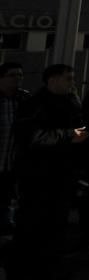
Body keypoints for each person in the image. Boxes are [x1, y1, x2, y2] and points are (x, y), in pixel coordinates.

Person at [11, 64, 88, 280]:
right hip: (38, 176)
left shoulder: (71, 101)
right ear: (51, 80)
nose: (72, 82)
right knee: (33, 225)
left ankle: (49, 266)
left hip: (63, 175)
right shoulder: (34, 104)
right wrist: (68, 135)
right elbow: (32, 138)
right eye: (68, 78)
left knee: (56, 225)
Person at [0, 62, 28, 234]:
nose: (17, 78)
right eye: (12, 75)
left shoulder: (24, 99)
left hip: (12, 163)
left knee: (6, 200)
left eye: (20, 75)